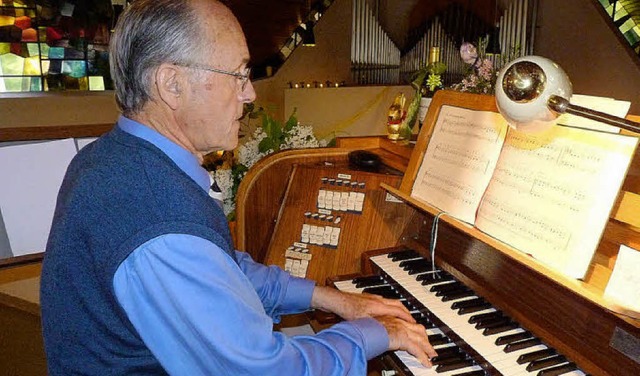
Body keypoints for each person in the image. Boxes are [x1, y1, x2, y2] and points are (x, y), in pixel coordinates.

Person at [40, 1, 436, 375]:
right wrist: (377, 333)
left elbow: (221, 268)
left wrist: (331, 298)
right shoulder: (159, 221)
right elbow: (264, 370)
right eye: (239, 75)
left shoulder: (111, 156)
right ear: (171, 84)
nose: (250, 94)